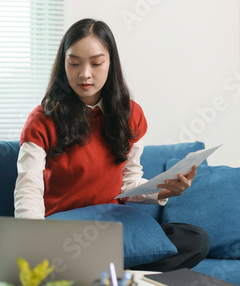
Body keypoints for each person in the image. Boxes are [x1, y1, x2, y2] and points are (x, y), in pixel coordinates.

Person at [13, 18, 209, 271]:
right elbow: (28, 189)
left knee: (195, 240)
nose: (84, 74)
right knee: (76, 254)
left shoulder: (130, 114)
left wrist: (165, 191)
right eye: (74, 63)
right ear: (64, 65)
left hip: (113, 226)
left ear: (110, 64)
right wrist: (33, 243)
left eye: (96, 63)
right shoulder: (42, 120)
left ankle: (106, 276)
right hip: (65, 230)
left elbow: (128, 184)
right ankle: (110, 275)